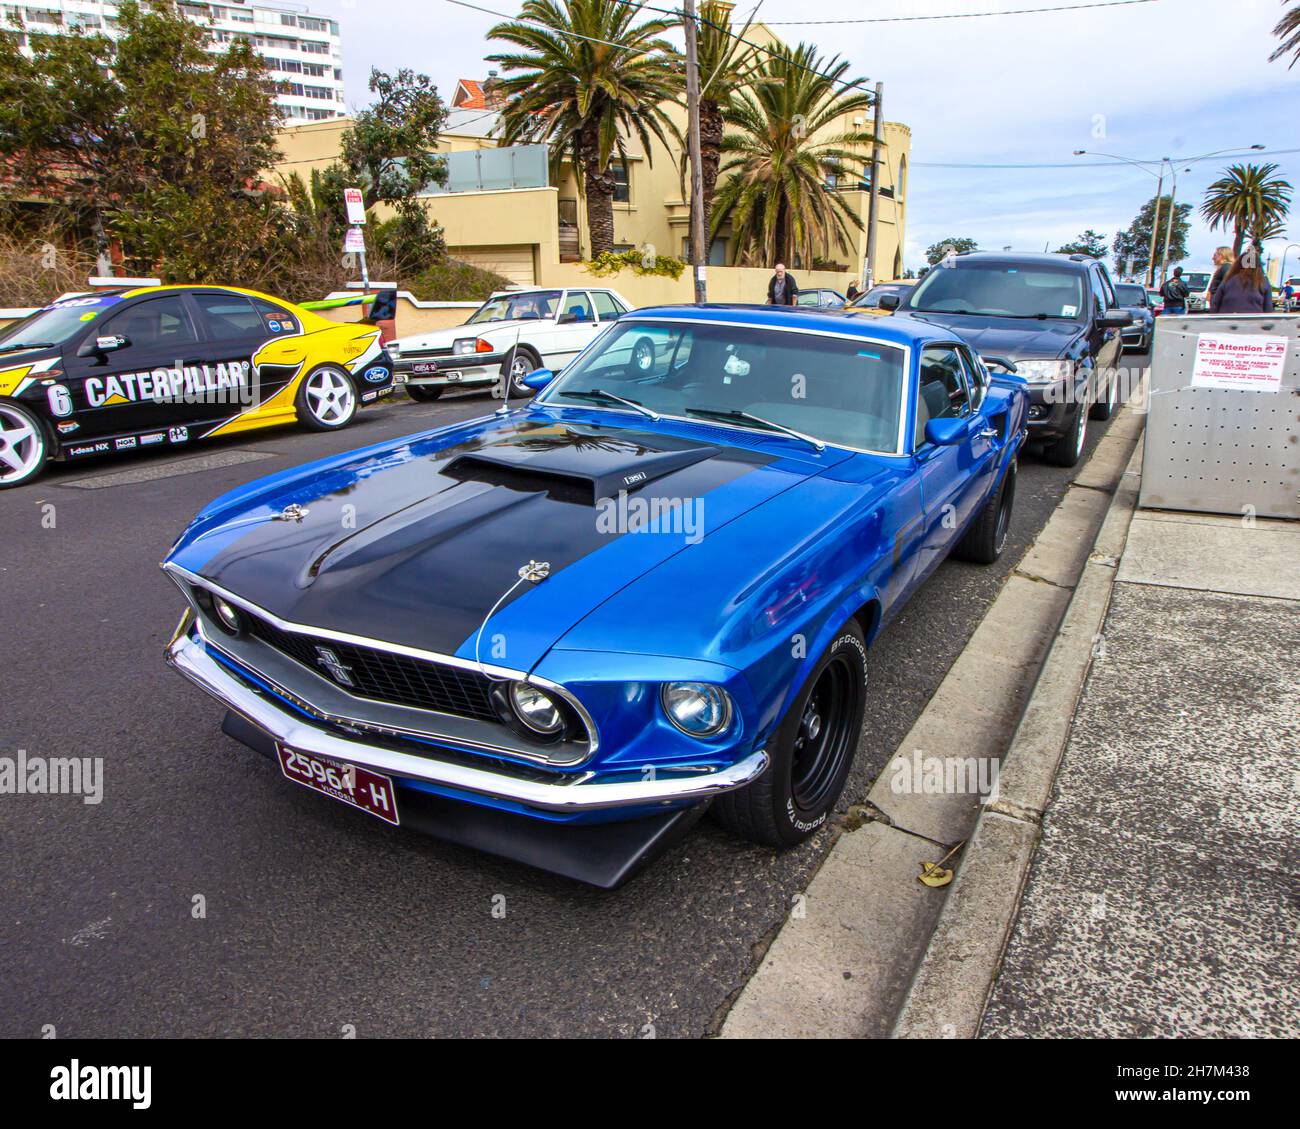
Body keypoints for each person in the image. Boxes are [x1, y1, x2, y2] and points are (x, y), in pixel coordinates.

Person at [1210, 244, 1273, 314]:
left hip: (1228, 321)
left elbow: (1216, 304)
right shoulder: (1263, 282)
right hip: (1253, 321)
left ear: (1238, 264)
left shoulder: (1228, 280)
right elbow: (1268, 308)